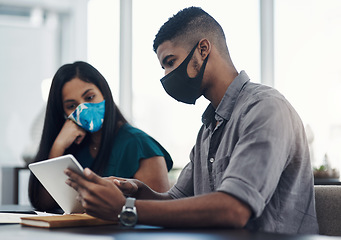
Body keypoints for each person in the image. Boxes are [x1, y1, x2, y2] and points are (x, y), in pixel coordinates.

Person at [64, 7, 319, 234]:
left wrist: (126, 209)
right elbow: (176, 200)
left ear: (203, 49)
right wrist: (136, 190)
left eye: (170, 62)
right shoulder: (209, 128)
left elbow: (234, 209)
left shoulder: (265, 109)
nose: (166, 76)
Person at [28, 61, 173, 212]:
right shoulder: (74, 146)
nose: (83, 108)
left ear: (104, 93)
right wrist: (58, 145)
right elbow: (45, 203)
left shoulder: (139, 144)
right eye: (72, 106)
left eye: (90, 97)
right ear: (63, 113)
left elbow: (160, 212)